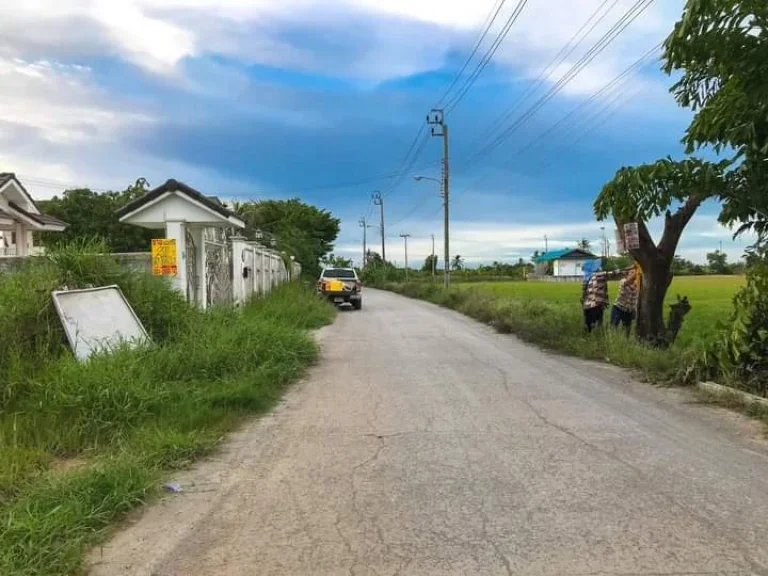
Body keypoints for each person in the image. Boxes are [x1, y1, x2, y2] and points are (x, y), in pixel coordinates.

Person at [581, 267, 626, 333]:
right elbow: (614, 273)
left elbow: (583, 292)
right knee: (597, 323)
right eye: (600, 269)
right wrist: (624, 270)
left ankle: (589, 336)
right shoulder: (599, 275)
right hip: (595, 304)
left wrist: (583, 300)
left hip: (587, 305)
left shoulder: (589, 277)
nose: (602, 270)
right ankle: (597, 336)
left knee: (588, 325)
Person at [611, 266, 638, 335]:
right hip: (618, 308)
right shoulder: (623, 281)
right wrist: (638, 270)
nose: (633, 273)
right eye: (631, 272)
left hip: (628, 311)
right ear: (627, 274)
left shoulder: (637, 286)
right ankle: (612, 340)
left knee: (627, 330)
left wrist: (634, 310)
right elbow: (628, 281)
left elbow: (635, 300)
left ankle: (625, 341)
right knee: (613, 326)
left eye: (634, 272)